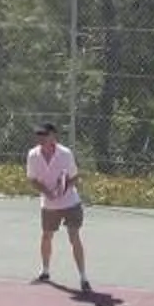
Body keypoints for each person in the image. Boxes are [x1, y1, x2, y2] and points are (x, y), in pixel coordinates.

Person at [25, 122, 89, 293]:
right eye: (39, 135)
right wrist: (47, 191)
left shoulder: (65, 154)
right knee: (46, 236)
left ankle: (83, 278)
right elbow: (32, 179)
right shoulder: (33, 155)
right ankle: (45, 272)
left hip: (70, 203)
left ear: (53, 136)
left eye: (44, 135)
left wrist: (63, 189)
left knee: (73, 236)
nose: (41, 138)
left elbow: (74, 177)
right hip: (48, 204)